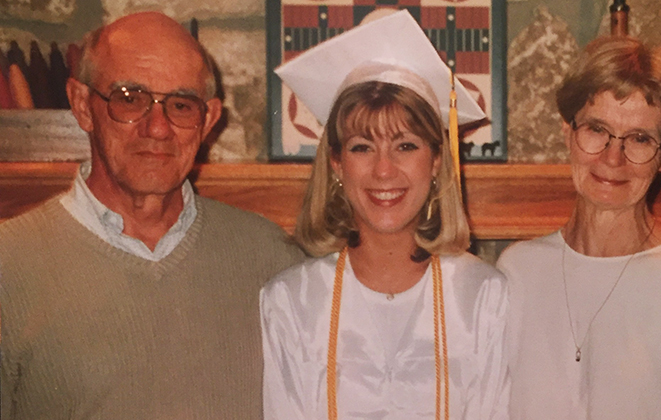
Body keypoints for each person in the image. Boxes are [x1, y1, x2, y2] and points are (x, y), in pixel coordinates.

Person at [0, 12, 304, 419]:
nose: (157, 128)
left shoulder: (272, 260)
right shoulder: (10, 265)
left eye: (181, 105)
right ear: (82, 106)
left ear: (208, 120)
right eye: (130, 98)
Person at [261, 10, 509, 420]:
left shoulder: (484, 297)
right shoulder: (290, 302)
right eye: (362, 147)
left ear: (436, 162)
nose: (383, 170)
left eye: (406, 146)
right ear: (337, 163)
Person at [497, 35, 661, 419]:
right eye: (597, 129)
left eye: (639, 138)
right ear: (568, 132)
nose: (613, 158)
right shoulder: (517, 271)